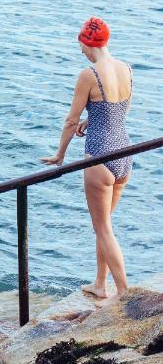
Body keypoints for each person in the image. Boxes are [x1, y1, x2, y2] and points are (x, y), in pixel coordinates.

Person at [41, 17, 133, 298]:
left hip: (100, 156)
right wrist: (92, 122)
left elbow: (71, 120)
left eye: (80, 43)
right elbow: (118, 113)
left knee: (103, 227)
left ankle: (124, 293)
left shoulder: (89, 75)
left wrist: (60, 154)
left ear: (87, 42)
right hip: (124, 153)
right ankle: (100, 284)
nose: (80, 49)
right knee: (104, 225)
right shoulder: (126, 69)